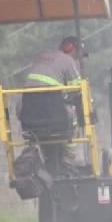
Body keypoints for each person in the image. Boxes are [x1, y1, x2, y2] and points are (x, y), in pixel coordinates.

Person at [19, 36, 85, 176]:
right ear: (72, 50)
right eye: (78, 55)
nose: (77, 59)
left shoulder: (42, 56)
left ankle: (45, 157)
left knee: (43, 130)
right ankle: (68, 161)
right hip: (51, 110)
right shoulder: (68, 60)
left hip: (28, 112)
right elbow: (77, 89)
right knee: (72, 120)